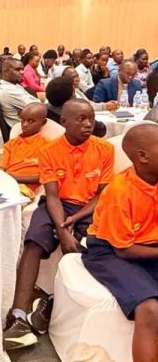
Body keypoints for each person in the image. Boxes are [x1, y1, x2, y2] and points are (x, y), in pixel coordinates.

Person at [2, 99, 114, 350]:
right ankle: (18, 317)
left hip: (89, 209)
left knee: (87, 246)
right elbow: (52, 195)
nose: (88, 124)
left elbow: (101, 196)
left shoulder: (104, 149)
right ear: (64, 122)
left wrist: (74, 219)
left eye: (91, 119)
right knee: (34, 242)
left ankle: (50, 301)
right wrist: (63, 228)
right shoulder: (50, 150)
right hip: (57, 204)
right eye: (81, 119)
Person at [82, 124, 158, 362]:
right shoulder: (120, 192)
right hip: (109, 250)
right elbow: (124, 250)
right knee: (150, 308)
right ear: (143, 157)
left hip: (148, 244)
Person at [0, 103, 49, 194]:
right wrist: (3, 178)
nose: (25, 125)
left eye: (31, 121)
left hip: (26, 189)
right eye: (22, 120)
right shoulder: (11, 144)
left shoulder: (48, 146)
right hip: (7, 184)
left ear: (43, 122)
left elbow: (44, 177)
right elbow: (2, 168)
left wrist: (13, 178)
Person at [0, 58, 39, 127]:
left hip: (28, 125)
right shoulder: (9, 90)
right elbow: (38, 108)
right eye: (18, 69)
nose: (22, 72)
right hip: (24, 129)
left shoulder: (14, 85)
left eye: (22, 69)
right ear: (6, 72)